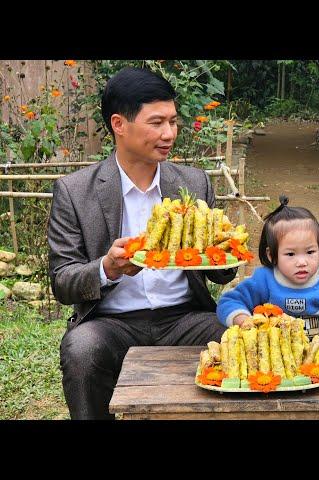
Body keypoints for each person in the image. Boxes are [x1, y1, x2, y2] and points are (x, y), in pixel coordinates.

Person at [47, 67, 236, 419]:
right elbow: (62, 281)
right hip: (112, 322)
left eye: (173, 122)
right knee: (81, 349)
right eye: (156, 123)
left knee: (237, 337)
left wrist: (225, 250)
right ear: (119, 124)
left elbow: (220, 275)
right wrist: (108, 267)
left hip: (185, 317)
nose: (169, 134)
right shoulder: (74, 191)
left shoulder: (194, 184)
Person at [216, 195, 319, 345]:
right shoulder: (264, 280)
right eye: (290, 254)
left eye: (310, 252)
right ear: (272, 255)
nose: (301, 262)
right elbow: (230, 302)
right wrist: (243, 320)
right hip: (273, 353)